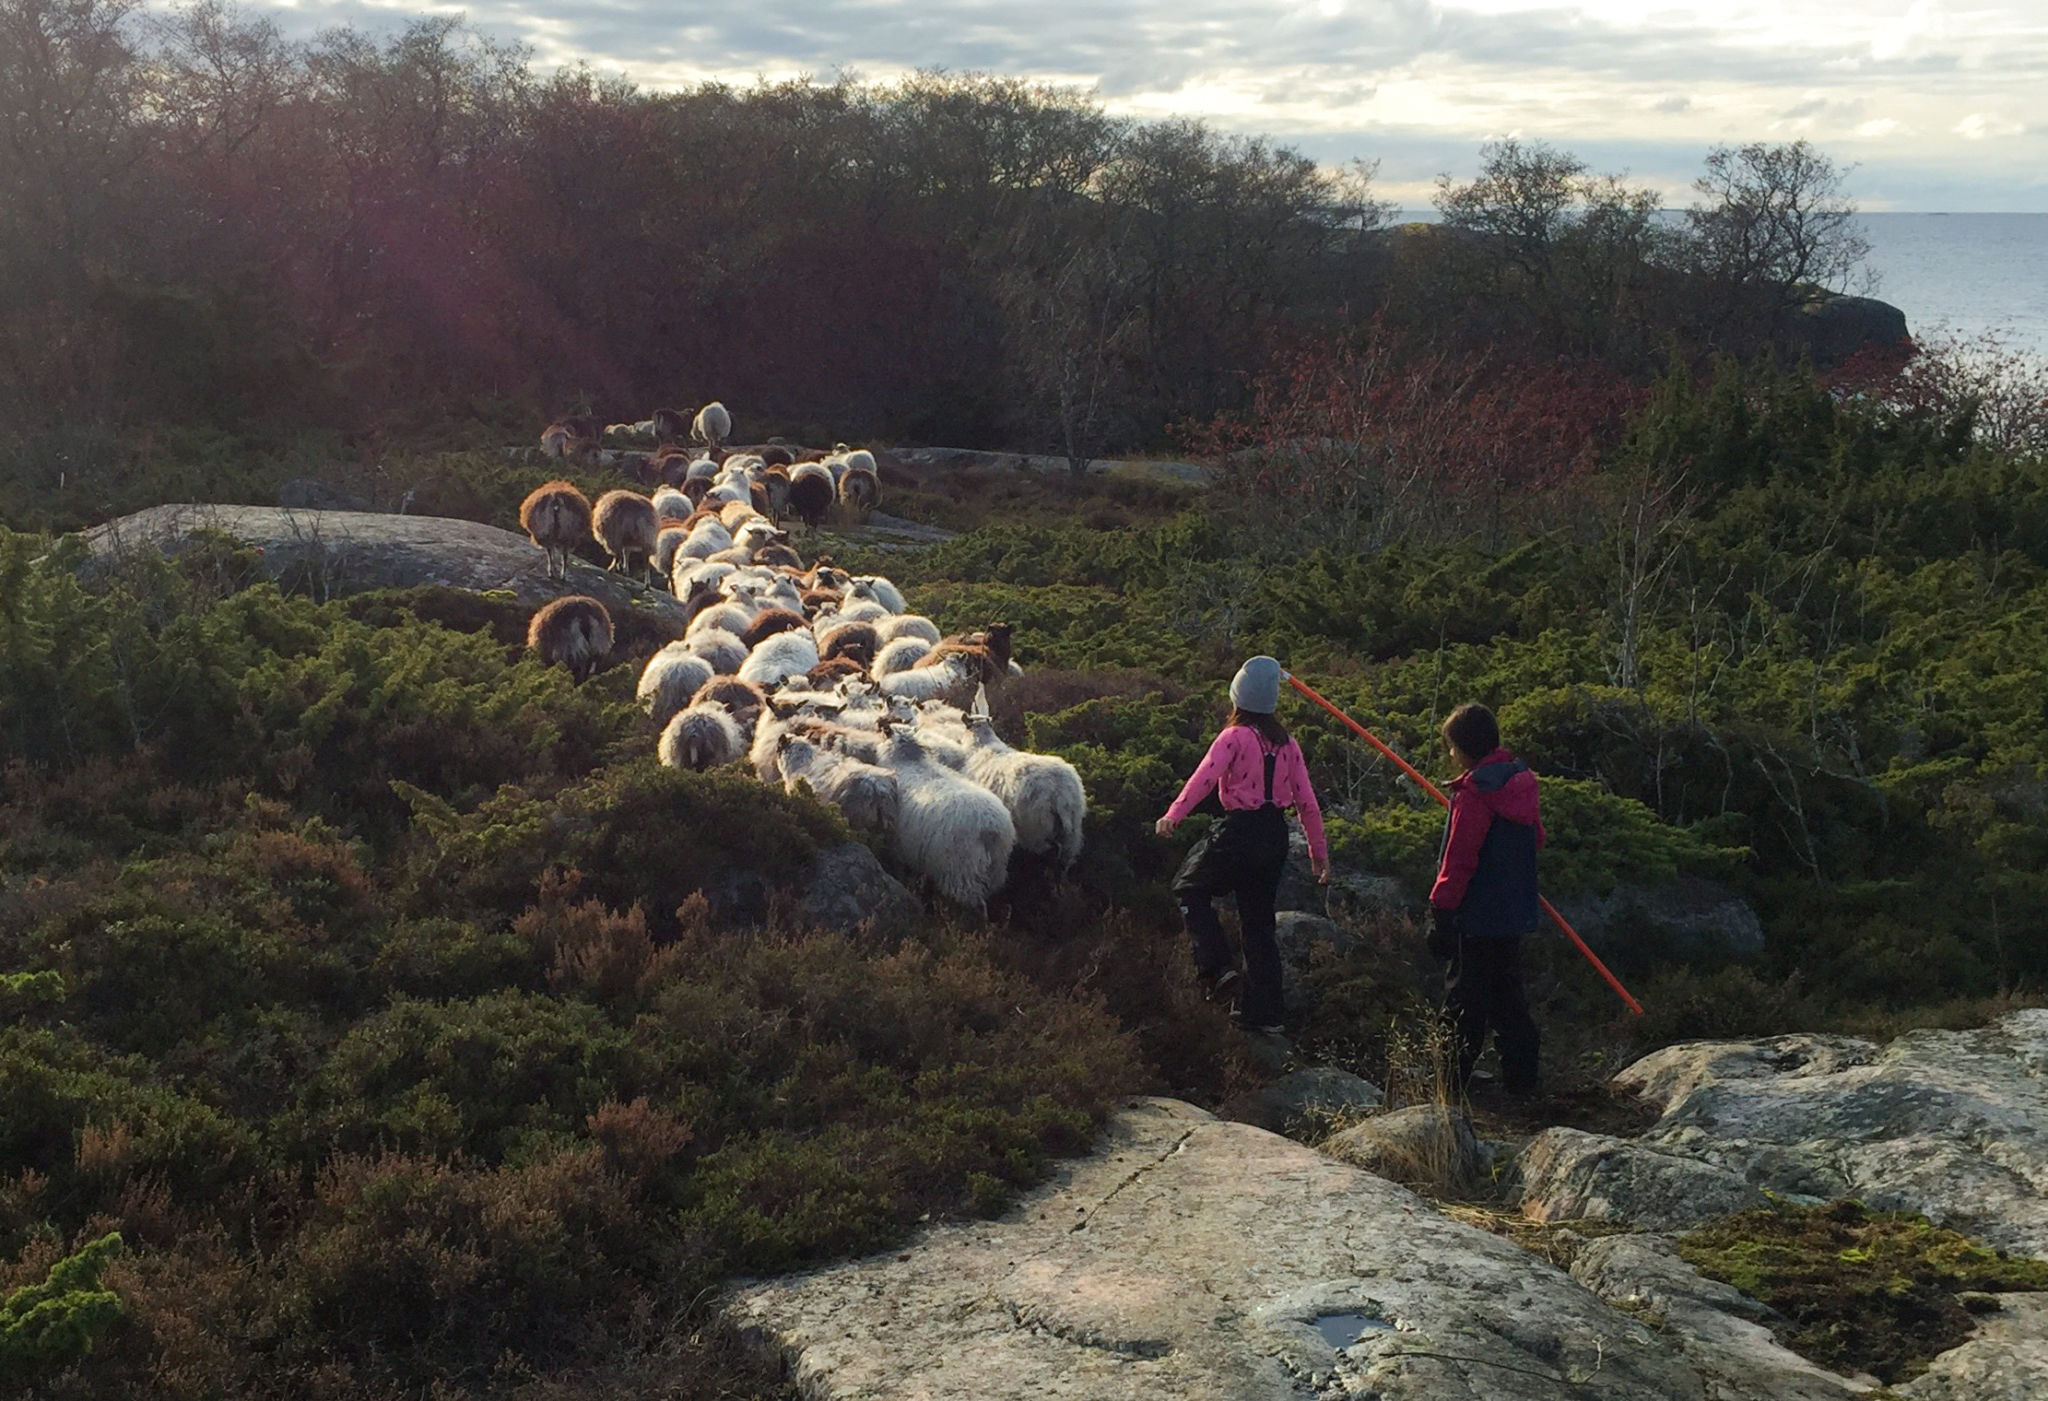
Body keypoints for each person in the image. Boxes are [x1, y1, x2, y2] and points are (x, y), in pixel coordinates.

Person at [1155, 657, 1328, 1033]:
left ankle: (1217, 969)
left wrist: (1174, 815)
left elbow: (1204, 778)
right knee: (1258, 924)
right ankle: (1264, 1014)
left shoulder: (1233, 737)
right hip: (1274, 836)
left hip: (1239, 832)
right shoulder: (1288, 743)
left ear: (1237, 698)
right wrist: (1319, 854)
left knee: (1188, 889)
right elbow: (1307, 802)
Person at [1427, 701, 1545, 1095]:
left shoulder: (1475, 793)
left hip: (1475, 917)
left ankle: (1448, 1084)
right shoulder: (1521, 782)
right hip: (1514, 912)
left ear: (1462, 749)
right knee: (1508, 996)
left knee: (1464, 1000)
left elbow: (1458, 859)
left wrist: (1441, 910)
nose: (1449, 755)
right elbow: (1537, 839)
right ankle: (1523, 1080)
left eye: (1450, 747)